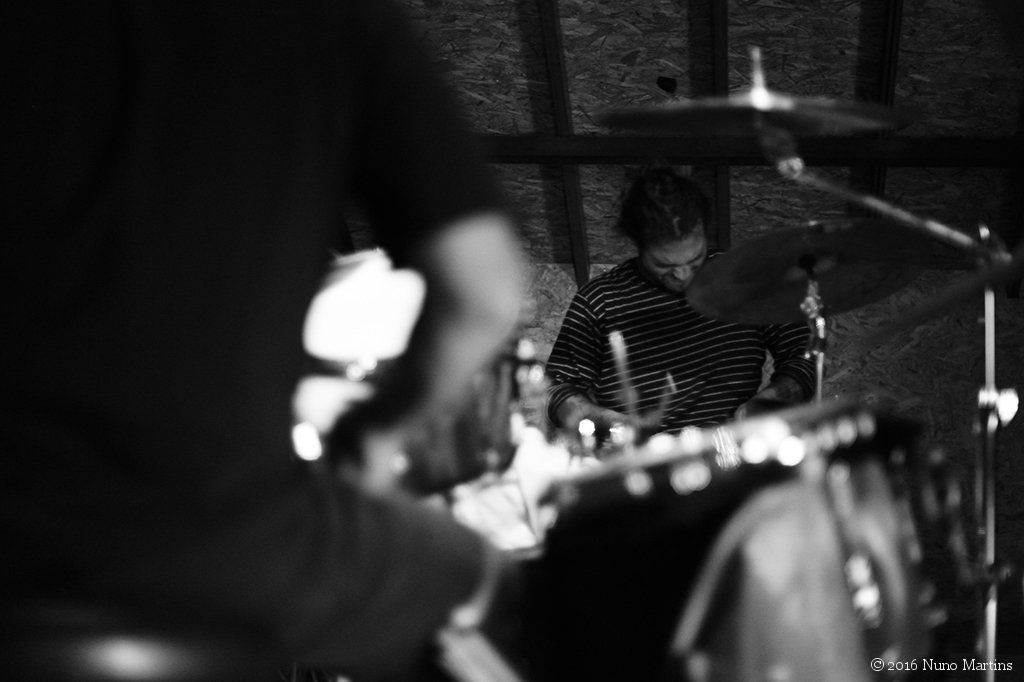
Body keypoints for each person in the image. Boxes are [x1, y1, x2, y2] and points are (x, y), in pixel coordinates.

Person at [1, 2, 525, 679]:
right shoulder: (323, 20)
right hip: (228, 542)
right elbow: (483, 293)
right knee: (499, 584)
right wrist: (377, 430)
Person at [545, 165, 816, 440]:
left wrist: (767, 403)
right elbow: (557, 391)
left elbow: (804, 354)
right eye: (665, 265)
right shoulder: (599, 300)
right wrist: (616, 426)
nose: (683, 275)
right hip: (641, 457)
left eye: (695, 259)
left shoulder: (744, 279)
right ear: (638, 243)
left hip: (735, 448)